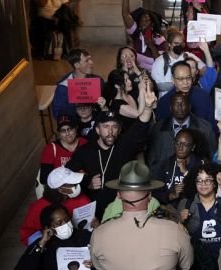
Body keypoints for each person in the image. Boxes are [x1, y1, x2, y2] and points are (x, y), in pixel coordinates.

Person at [66, 85, 156, 219]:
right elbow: (66, 175)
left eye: (114, 127)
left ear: (119, 131)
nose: (110, 131)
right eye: (106, 126)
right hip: (93, 213)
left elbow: (139, 128)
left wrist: (148, 108)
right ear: (97, 130)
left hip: (121, 211)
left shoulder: (123, 146)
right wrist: (86, 183)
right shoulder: (85, 151)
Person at [20, 167, 91, 245]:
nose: (77, 186)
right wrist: (43, 239)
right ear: (60, 189)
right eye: (72, 184)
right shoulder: (37, 208)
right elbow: (27, 236)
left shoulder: (81, 198)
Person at [147, 91, 216, 171]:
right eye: (176, 104)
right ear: (170, 108)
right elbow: (151, 161)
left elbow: (212, 157)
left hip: (196, 179)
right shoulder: (157, 129)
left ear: (189, 106)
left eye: (183, 104)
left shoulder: (205, 128)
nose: (179, 107)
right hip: (164, 180)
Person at [151, 128, 206, 208]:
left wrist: (186, 172)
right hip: (170, 212)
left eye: (185, 144)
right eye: (178, 143)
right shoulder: (164, 164)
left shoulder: (201, 164)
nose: (180, 147)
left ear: (193, 147)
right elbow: (155, 192)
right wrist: (171, 195)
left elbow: (207, 189)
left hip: (195, 210)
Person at [52, 48, 105, 118]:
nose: (91, 62)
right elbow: (57, 114)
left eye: (90, 59)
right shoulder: (63, 88)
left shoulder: (98, 81)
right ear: (76, 65)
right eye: (87, 61)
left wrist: (103, 106)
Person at [39, 115, 88, 184]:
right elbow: (44, 178)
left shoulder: (85, 143)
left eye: (70, 129)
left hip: (84, 185)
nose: (67, 133)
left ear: (75, 129)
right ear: (59, 133)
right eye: (63, 131)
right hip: (61, 188)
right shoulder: (51, 149)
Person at [121, 0, 166, 71]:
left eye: (147, 21)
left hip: (153, 75)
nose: (144, 23)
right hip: (137, 72)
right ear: (139, 25)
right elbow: (125, 14)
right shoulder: (136, 34)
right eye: (142, 21)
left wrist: (152, 46)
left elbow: (161, 63)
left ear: (152, 24)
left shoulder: (160, 39)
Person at [151, 28, 187, 97]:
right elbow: (158, 85)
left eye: (181, 44)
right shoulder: (160, 61)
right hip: (167, 100)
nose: (178, 46)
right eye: (176, 43)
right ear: (169, 44)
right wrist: (179, 84)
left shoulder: (186, 57)